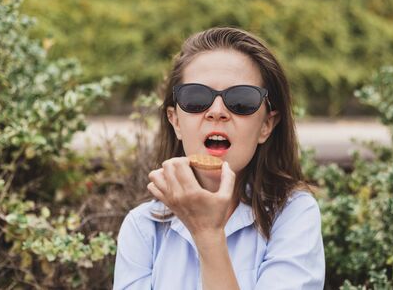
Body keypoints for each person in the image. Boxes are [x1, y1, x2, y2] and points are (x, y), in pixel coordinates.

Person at [113, 27, 325, 290]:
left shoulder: (294, 215)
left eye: (242, 100)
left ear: (266, 126)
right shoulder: (143, 227)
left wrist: (208, 234)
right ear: (175, 121)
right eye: (196, 97)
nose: (217, 111)